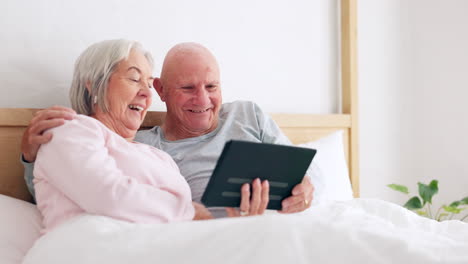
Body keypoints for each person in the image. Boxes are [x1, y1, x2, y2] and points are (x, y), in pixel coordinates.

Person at [22, 42, 315, 218]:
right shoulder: (144, 148)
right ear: (161, 90)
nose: (202, 100)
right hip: (218, 237)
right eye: (187, 88)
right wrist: (29, 157)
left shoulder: (248, 114)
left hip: (283, 224)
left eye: (211, 87)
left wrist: (307, 188)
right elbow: (75, 188)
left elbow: (309, 169)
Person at [31, 39, 210, 233]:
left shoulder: (159, 157)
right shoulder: (70, 130)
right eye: (134, 79)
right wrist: (188, 212)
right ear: (94, 84)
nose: (146, 94)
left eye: (149, 84)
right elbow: (107, 196)